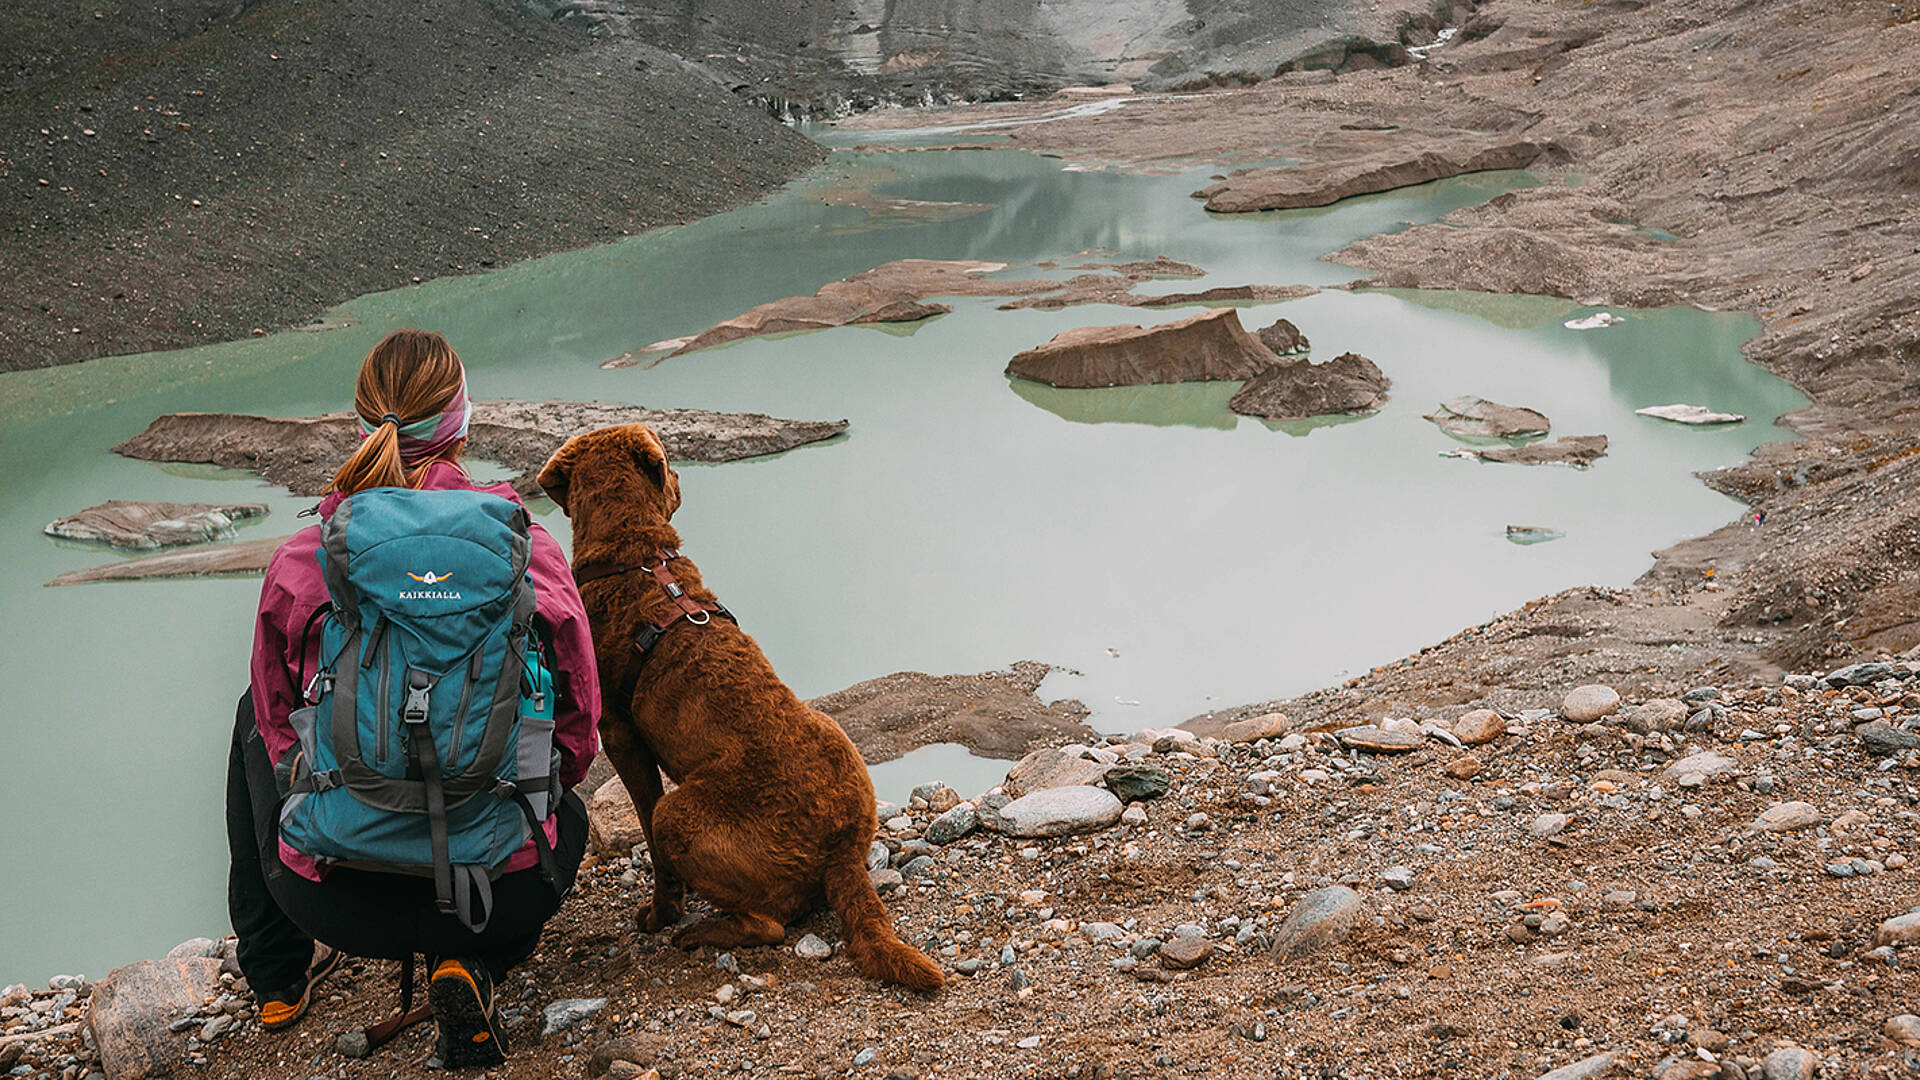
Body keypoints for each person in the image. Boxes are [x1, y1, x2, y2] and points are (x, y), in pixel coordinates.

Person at [226, 329, 600, 1067]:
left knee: (252, 712)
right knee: (561, 809)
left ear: (361, 426)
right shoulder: (523, 546)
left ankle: (276, 976)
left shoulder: (308, 556)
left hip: (339, 901)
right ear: (463, 423)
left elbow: (278, 731)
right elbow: (579, 727)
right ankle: (468, 962)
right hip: (501, 894)